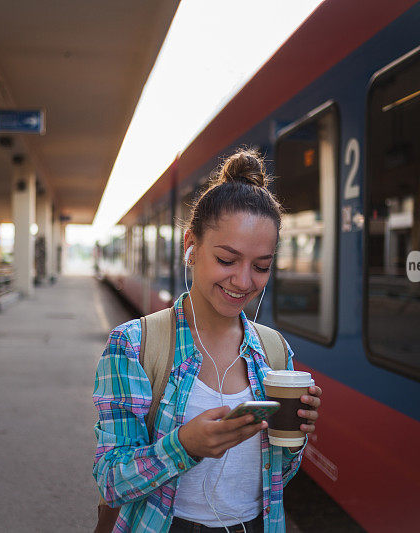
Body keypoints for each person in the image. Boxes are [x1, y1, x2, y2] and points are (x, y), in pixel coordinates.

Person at [93, 148, 322, 533]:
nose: (244, 281)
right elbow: (111, 480)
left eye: (261, 266)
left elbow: (276, 478)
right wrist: (184, 446)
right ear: (192, 246)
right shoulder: (134, 345)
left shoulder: (274, 350)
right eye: (227, 260)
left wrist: (294, 438)